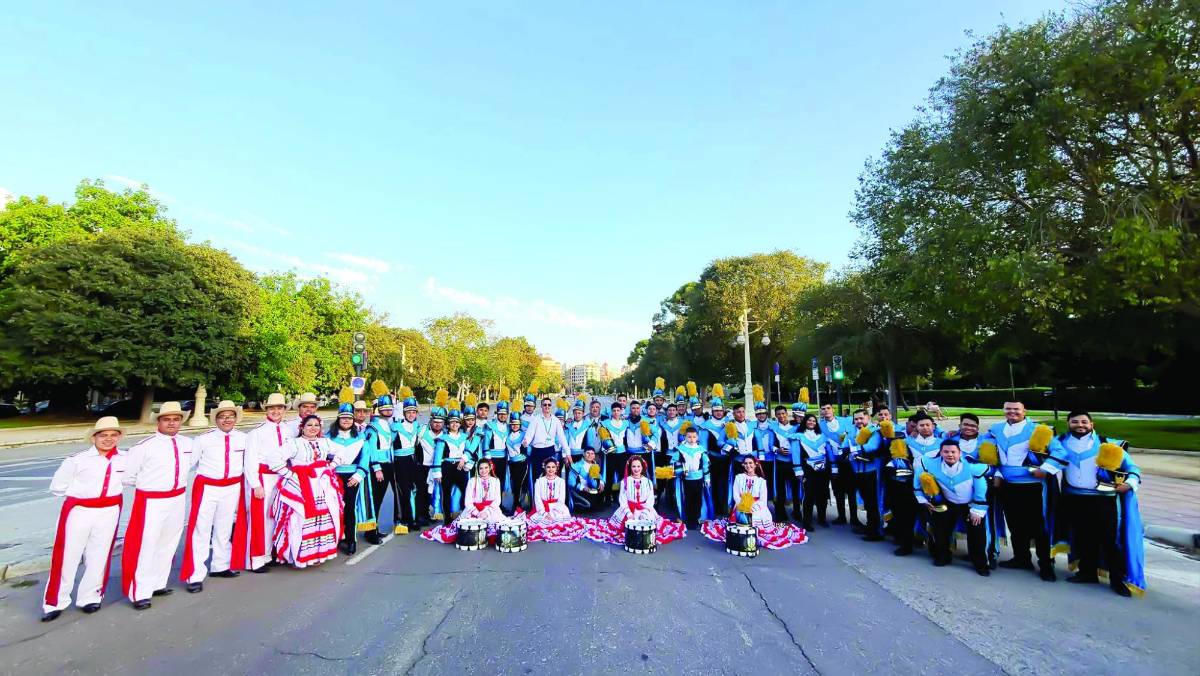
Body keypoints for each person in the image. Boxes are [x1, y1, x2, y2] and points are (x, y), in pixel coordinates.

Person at [1041, 411, 1144, 597]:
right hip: (1073, 498)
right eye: (1075, 422)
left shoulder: (1109, 444)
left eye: (1084, 422)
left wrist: (1129, 484)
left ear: (1091, 423)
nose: (1080, 425)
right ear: (1068, 423)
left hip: (1102, 500)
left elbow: (1132, 468)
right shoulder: (1059, 443)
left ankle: (1117, 579)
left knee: (1109, 540)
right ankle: (1088, 573)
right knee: (1082, 538)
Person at [42, 417, 126, 622]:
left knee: (99, 554)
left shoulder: (125, 459)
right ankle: (55, 602)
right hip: (80, 511)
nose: (108, 439)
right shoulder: (77, 460)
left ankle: (90, 597)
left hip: (109, 511)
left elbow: (132, 478)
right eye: (103, 435)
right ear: (93, 437)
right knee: (68, 555)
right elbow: (57, 487)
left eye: (113, 435)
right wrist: (83, 496)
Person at [121, 401, 192, 610]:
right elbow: (128, 477)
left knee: (168, 542)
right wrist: (152, 485)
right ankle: (140, 591)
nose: (172, 423)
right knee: (146, 545)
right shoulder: (144, 446)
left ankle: (158, 583)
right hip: (152, 500)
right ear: (158, 422)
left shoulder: (187, 444)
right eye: (167, 419)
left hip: (177, 498)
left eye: (176, 419)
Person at [180, 401, 249, 593]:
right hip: (208, 487)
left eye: (230, 416)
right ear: (216, 419)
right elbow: (190, 464)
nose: (227, 420)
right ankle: (195, 574)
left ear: (236, 418)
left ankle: (220, 565)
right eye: (222, 417)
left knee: (225, 527)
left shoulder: (244, 438)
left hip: (232, 486)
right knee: (201, 529)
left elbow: (248, 463)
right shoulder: (203, 439)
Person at [987, 401, 1057, 581]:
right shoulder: (995, 428)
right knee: (1015, 524)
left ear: (1024, 410)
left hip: (1031, 484)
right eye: (1008, 409)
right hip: (1006, 484)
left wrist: (1047, 469)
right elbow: (984, 448)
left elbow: (1059, 451)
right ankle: (1022, 558)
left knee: (1038, 526)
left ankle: (1046, 564)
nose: (1012, 412)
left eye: (1016, 409)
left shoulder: (1039, 429)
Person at [270, 415, 344, 567]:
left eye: (316, 425)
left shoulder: (324, 442)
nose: (313, 428)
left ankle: (319, 553)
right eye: (309, 425)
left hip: (322, 485)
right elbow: (274, 459)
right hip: (302, 484)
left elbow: (341, 451)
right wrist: (290, 475)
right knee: (301, 518)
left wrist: (331, 466)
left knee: (323, 516)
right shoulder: (295, 443)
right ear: (302, 427)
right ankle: (302, 555)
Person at [914, 439, 990, 576]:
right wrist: (922, 499)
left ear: (959, 453)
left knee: (977, 534)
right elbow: (918, 479)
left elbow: (981, 489)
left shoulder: (972, 467)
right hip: (948, 503)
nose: (950, 455)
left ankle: (980, 564)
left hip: (970, 505)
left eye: (953, 452)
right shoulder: (930, 464)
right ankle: (942, 556)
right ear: (941, 452)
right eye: (946, 451)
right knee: (940, 531)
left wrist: (977, 510)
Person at [701, 456, 808, 549]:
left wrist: (753, 507)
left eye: (750, 463)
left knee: (756, 524)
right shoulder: (739, 478)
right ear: (743, 465)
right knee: (740, 522)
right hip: (741, 506)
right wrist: (742, 505)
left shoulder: (761, 481)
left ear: (755, 464)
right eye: (746, 463)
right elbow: (736, 495)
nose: (748, 466)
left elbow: (763, 500)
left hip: (758, 508)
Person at [585, 456, 686, 546]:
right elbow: (622, 500)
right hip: (627, 510)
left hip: (645, 510)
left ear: (642, 467)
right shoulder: (625, 481)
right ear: (630, 468)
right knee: (621, 530)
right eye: (634, 466)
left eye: (638, 466)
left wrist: (645, 512)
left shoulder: (648, 482)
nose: (636, 469)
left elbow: (650, 500)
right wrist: (629, 513)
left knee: (649, 529)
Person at [245, 392, 288, 572]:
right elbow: (250, 459)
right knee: (259, 518)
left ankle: (268, 554)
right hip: (264, 477)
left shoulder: (289, 430)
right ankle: (255, 559)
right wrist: (255, 484)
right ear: (266, 410)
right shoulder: (257, 432)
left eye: (279, 408)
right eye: (272, 408)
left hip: (282, 477)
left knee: (274, 516)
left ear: (284, 410)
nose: (276, 411)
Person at [421, 458, 508, 545]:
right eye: (481, 468)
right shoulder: (472, 481)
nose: (483, 470)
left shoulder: (496, 481)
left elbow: (497, 501)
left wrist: (487, 512)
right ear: (477, 469)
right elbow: (468, 502)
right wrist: (477, 513)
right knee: (460, 531)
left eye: (486, 468)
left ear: (490, 468)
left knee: (501, 529)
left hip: (491, 510)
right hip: (473, 511)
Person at [328, 404, 373, 554]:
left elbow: (365, 457)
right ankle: (335, 538)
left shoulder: (360, 437)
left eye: (349, 418)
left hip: (352, 477)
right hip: (333, 477)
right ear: (338, 419)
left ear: (353, 420)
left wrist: (359, 475)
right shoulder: (328, 437)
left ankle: (351, 540)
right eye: (343, 418)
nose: (346, 421)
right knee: (333, 509)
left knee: (350, 508)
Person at [524, 458, 588, 542]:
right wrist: (544, 513)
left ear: (556, 468)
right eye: (548, 467)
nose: (551, 469)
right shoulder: (539, 481)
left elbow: (561, 499)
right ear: (545, 468)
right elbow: (537, 499)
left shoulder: (561, 481)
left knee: (561, 525)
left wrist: (554, 512)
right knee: (541, 525)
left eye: (553, 467)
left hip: (558, 508)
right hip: (542, 508)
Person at [848, 409, 887, 542]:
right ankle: (871, 527)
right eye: (856, 419)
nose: (858, 421)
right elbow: (844, 445)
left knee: (874, 502)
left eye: (861, 418)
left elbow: (872, 446)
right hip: (858, 471)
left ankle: (876, 531)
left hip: (872, 471)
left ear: (868, 418)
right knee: (866, 501)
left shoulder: (874, 430)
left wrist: (855, 449)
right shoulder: (852, 431)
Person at [362, 395, 396, 541]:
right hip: (379, 466)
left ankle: (375, 528)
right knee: (374, 498)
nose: (388, 411)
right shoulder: (373, 426)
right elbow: (371, 449)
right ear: (379, 410)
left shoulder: (387, 424)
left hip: (388, 465)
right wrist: (377, 468)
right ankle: (370, 532)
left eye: (390, 409)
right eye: (385, 409)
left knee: (380, 499)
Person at [432, 401, 473, 523]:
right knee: (446, 493)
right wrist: (437, 472)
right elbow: (437, 456)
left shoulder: (464, 436)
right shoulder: (442, 438)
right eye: (452, 422)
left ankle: (466, 515)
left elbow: (469, 451)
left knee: (466, 491)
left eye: (457, 422)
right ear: (448, 424)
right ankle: (448, 520)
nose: (455, 424)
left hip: (461, 466)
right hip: (447, 467)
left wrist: (467, 463)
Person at [819, 403, 858, 528]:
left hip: (847, 460)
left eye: (828, 408)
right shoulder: (820, 425)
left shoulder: (845, 421)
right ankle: (841, 516)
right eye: (823, 409)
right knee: (837, 489)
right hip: (832, 462)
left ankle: (854, 517)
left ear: (833, 409)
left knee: (851, 490)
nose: (826, 411)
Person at [521, 397, 569, 498]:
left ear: (551, 406)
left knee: (550, 476)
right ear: (541, 406)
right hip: (537, 452)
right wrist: (526, 442)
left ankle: (550, 500)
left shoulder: (555, 420)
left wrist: (567, 453)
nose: (547, 406)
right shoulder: (536, 419)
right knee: (537, 478)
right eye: (544, 404)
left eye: (549, 405)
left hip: (550, 451)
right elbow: (529, 435)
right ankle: (536, 503)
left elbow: (562, 437)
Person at [390, 389, 424, 533]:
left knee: (415, 489)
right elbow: (388, 445)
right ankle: (405, 519)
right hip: (400, 462)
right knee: (404, 491)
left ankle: (414, 518)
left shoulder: (417, 426)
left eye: (414, 412)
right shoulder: (395, 427)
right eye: (409, 412)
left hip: (412, 460)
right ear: (404, 413)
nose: (411, 414)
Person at [676, 426, 711, 529]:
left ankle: (696, 519)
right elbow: (675, 463)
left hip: (698, 479)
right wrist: (681, 471)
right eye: (689, 437)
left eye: (694, 437)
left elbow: (706, 465)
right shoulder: (680, 449)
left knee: (697, 500)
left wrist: (707, 478)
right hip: (686, 479)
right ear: (685, 437)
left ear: (697, 438)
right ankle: (688, 520)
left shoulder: (701, 450)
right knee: (687, 499)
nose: (692, 439)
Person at [598, 402, 630, 503]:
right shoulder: (605, 423)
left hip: (622, 453)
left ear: (621, 411)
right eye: (614, 411)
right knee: (609, 475)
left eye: (618, 410)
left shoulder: (626, 423)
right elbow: (602, 438)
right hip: (610, 453)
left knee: (622, 476)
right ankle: (607, 497)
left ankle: (621, 498)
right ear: (611, 412)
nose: (616, 412)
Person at [504, 413, 529, 513]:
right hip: (511, 464)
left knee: (520, 484)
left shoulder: (524, 435)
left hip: (521, 463)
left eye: (517, 424)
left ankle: (517, 505)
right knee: (513, 484)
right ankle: (517, 503)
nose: (515, 426)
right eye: (513, 424)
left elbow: (528, 449)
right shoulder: (507, 434)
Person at [569, 448, 605, 513]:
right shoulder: (576, 466)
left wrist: (602, 483)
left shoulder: (595, 465)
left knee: (599, 505)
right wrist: (582, 487)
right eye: (588, 453)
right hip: (580, 491)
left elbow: (599, 476)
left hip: (591, 490)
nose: (590, 455)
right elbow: (571, 482)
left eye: (592, 454)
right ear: (583, 454)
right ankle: (575, 502)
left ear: (594, 456)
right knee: (588, 506)